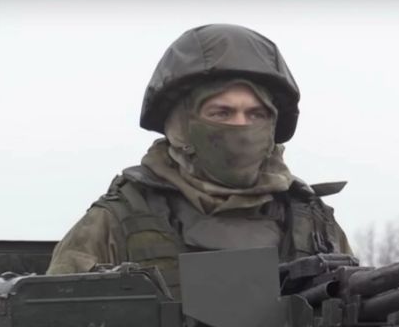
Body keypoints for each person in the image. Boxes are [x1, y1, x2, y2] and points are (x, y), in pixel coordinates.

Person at [47, 23, 352, 301]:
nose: (241, 126)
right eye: (221, 113)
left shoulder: (312, 223)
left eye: (256, 114)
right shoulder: (118, 220)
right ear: (181, 125)